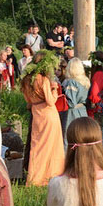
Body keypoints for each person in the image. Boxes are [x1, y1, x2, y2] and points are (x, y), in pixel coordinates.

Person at [21, 52, 65, 186]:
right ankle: (52, 175)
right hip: (48, 113)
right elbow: (51, 101)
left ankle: (34, 177)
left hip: (36, 113)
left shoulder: (26, 80)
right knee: (53, 146)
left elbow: (28, 101)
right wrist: (54, 89)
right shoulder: (44, 79)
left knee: (37, 146)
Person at [62, 57, 89, 131]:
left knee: (70, 136)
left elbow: (71, 102)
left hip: (72, 114)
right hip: (82, 111)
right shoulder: (85, 81)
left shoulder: (71, 82)